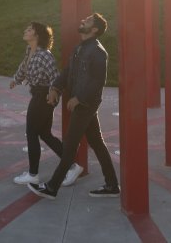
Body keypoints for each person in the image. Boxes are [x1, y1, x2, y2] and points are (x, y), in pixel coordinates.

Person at [28, 13, 120, 200]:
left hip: (86, 104)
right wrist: (55, 87)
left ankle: (52, 187)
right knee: (97, 144)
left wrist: (79, 98)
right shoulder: (80, 48)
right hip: (83, 104)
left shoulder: (98, 52)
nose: (82, 21)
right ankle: (112, 185)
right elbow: (68, 71)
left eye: (86, 21)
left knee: (69, 145)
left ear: (94, 29)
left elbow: (97, 81)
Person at [8, 21, 73, 186]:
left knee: (31, 133)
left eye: (29, 30)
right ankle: (72, 165)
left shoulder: (45, 55)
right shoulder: (30, 50)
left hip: (44, 97)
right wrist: (16, 80)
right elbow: (24, 67)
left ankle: (33, 174)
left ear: (36, 35)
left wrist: (54, 94)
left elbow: (56, 77)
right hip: (38, 94)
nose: (25, 31)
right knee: (45, 134)